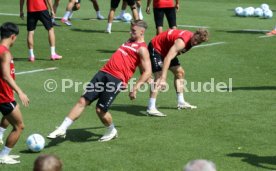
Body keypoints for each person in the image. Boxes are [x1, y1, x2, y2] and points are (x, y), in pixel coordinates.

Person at [47, 20, 151, 142]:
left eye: (133, 31)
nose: (130, 32)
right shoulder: (129, 41)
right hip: (103, 73)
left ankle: (111, 130)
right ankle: (62, 128)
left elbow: (147, 71)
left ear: (142, 32)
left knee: (100, 110)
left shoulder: (142, 49)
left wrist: (135, 88)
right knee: (83, 100)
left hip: (116, 80)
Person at [146, 28, 208, 116]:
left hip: (167, 50)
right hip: (156, 48)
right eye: (195, 40)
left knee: (180, 73)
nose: (195, 43)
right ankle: (151, 107)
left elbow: (169, 55)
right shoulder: (182, 42)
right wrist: (164, 78)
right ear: (194, 34)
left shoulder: (190, 40)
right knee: (159, 77)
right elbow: (167, 58)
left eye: (198, 43)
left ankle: (181, 102)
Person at [0, 22, 29, 164]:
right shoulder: (5, 53)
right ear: (12, 36)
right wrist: (20, 91)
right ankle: (3, 156)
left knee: (13, 112)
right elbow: (6, 75)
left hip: (5, 96)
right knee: (19, 126)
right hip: (4, 97)